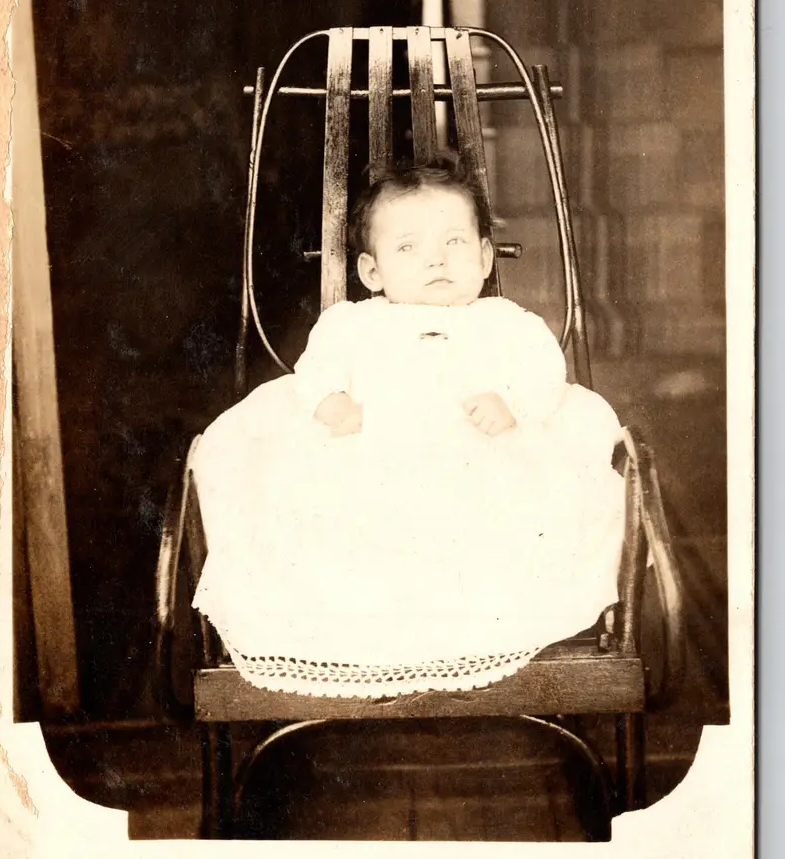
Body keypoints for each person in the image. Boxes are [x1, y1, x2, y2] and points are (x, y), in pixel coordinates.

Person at [191, 159, 626, 697]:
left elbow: (545, 374)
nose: (436, 260)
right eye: (407, 249)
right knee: (311, 512)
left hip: (478, 466)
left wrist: (510, 403)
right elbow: (316, 371)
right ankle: (363, 633)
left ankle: (470, 626)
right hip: (374, 462)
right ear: (371, 273)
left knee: (530, 513)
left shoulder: (506, 323)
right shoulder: (352, 324)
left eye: (455, 243)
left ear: (486, 257)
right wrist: (331, 401)